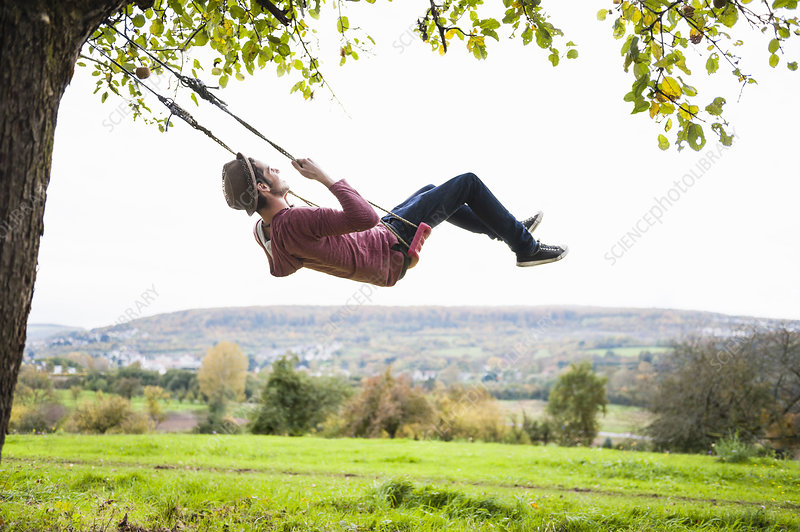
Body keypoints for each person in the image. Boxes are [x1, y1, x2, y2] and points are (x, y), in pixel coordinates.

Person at [222, 153, 567, 287]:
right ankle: (525, 248)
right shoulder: (295, 221)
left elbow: (281, 269)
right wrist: (324, 177)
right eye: (269, 170)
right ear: (263, 187)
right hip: (390, 242)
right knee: (468, 183)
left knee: (432, 190)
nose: (277, 169)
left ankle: (505, 229)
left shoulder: (270, 231)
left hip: (383, 242)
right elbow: (364, 217)